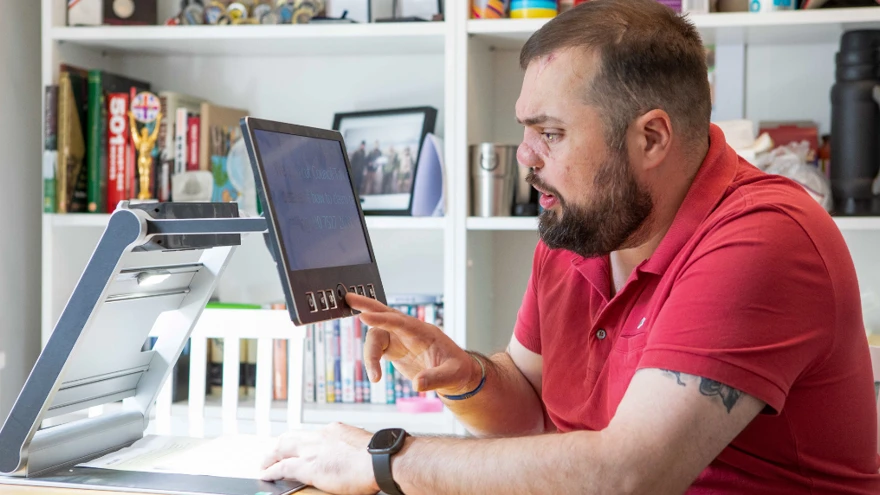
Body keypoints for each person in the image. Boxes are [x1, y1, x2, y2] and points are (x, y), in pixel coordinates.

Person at [259, 1, 880, 493]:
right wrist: (459, 373)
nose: (527, 158)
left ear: (652, 137)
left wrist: (384, 460)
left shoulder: (762, 237)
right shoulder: (585, 223)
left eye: (550, 133)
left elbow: (626, 475)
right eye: (525, 129)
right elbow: (531, 409)